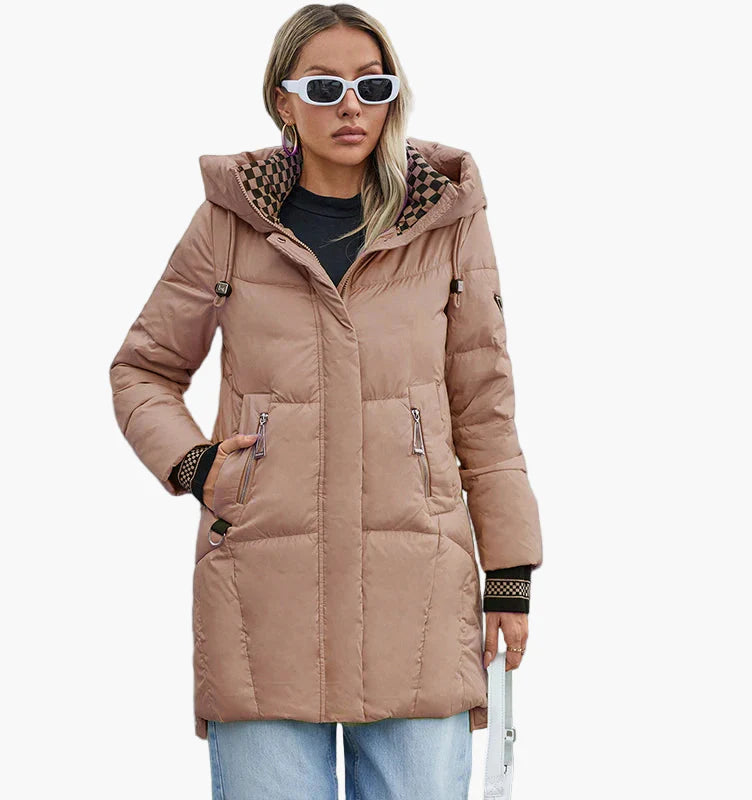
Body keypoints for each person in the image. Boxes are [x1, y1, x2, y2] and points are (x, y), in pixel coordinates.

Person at [109, 4, 543, 798]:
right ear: (284, 100)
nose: (351, 105)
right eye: (324, 86)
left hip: (418, 594)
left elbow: (484, 404)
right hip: (263, 598)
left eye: (372, 86)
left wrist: (509, 572)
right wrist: (197, 466)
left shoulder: (445, 220)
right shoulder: (229, 225)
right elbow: (142, 370)